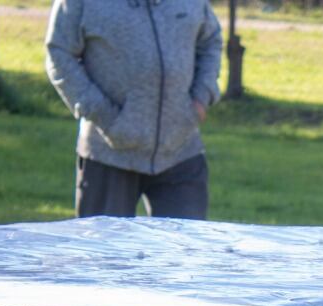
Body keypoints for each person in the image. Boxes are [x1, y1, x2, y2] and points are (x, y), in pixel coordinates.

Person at [45, 0, 223, 219]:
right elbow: (60, 54)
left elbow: (210, 40)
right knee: (106, 252)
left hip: (181, 150)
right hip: (108, 153)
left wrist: (201, 98)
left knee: (185, 252)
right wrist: (104, 116)